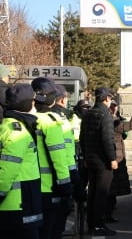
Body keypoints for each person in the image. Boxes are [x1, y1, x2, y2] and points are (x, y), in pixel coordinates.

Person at [31, 77, 73, 239]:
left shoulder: (25, 120)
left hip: (30, 188)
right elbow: (59, 158)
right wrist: (67, 186)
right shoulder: (51, 121)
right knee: (52, 230)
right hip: (50, 187)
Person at [0, 84, 43, 239]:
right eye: (33, 101)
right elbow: (7, 170)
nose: (35, 105)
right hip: (16, 205)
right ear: (25, 104)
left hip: (20, 203)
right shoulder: (16, 130)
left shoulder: (17, 126)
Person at [80, 87, 118, 236]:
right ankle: (98, 225)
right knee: (102, 194)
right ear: (107, 98)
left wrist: (85, 156)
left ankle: (91, 224)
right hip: (103, 161)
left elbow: (82, 138)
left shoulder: (88, 114)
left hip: (90, 159)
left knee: (92, 193)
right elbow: (107, 139)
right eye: (110, 98)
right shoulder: (106, 115)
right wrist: (112, 158)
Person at [50, 84, 87, 234]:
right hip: (60, 181)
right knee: (55, 226)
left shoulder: (36, 118)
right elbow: (63, 157)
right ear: (63, 100)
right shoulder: (61, 120)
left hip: (35, 187)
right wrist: (76, 185)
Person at [106, 100, 132, 222]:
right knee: (111, 186)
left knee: (111, 185)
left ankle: (108, 210)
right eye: (113, 106)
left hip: (113, 157)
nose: (115, 108)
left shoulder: (108, 119)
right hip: (115, 158)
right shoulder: (113, 122)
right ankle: (107, 214)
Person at [70, 99, 91, 189]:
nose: (85, 109)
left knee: (84, 171)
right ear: (78, 108)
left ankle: (82, 192)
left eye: (87, 107)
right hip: (73, 146)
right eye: (83, 107)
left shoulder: (88, 119)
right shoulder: (72, 117)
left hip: (84, 146)